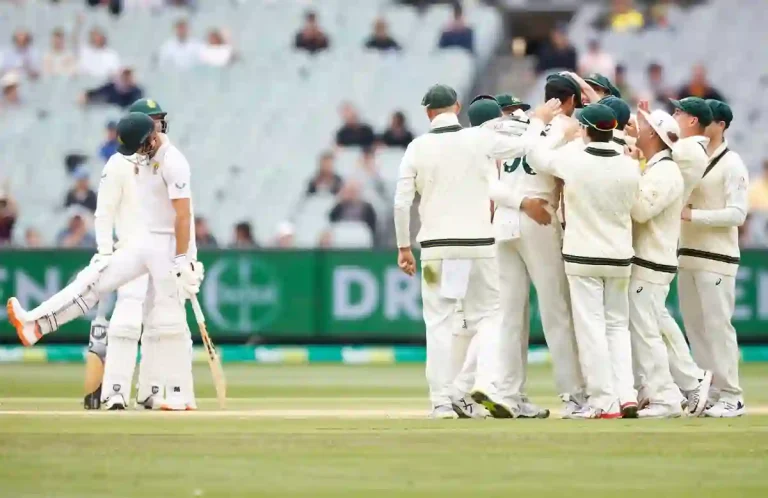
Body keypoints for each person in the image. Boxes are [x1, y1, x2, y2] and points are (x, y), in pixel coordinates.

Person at [7, 112, 204, 412]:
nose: (134, 155)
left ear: (149, 138)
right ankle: (35, 324)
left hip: (166, 245)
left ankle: (179, 394)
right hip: (144, 240)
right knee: (95, 279)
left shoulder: (174, 162)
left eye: (137, 147)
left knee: (168, 317)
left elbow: (183, 215)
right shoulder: (140, 156)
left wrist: (184, 258)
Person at [393, 83, 560, 419]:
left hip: (436, 250)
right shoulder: (478, 139)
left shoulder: (417, 147)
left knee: (439, 323)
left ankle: (442, 401)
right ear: (457, 107)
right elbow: (525, 146)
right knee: (491, 316)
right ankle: (479, 382)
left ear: (428, 112)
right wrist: (539, 120)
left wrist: (403, 248)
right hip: (478, 246)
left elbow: (401, 202)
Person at [527, 103, 641, 419]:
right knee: (617, 327)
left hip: (583, 255)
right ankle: (626, 395)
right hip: (619, 255)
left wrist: (553, 128)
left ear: (587, 130)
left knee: (591, 328)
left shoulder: (573, 159)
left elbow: (536, 155)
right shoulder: (629, 165)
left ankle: (603, 401)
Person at [484, 74, 587, 419]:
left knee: (511, 315)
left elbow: (492, 179)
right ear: (571, 101)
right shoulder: (567, 127)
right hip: (539, 216)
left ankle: (509, 395)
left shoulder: (514, 125)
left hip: (503, 219)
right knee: (556, 312)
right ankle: (574, 396)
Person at [677, 100, 748, 418]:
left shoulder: (732, 163)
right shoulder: (692, 158)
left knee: (718, 327)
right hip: (687, 255)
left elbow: (737, 214)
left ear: (720, 125)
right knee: (695, 328)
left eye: (708, 119)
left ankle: (733, 394)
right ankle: (712, 391)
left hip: (717, 257)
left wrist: (693, 216)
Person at [654, 96, 714, 415]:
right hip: (660, 238)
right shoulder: (687, 149)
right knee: (648, 314)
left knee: (652, 312)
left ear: (692, 121)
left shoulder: (689, 150)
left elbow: (655, 149)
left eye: (678, 112)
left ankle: (691, 379)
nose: (673, 115)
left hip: (660, 240)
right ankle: (664, 385)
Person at [628, 106, 685, 418]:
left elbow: (640, 211)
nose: (638, 126)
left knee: (647, 331)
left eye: (643, 124)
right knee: (644, 330)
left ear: (653, 134)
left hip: (651, 262)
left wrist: (624, 176)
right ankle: (654, 392)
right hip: (650, 260)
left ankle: (666, 398)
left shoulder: (664, 172)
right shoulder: (655, 167)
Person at [79, 67, 143, 108]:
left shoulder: (137, 91)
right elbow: (97, 92)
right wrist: (86, 94)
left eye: (128, 76)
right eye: (125, 76)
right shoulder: (112, 87)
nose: (126, 78)